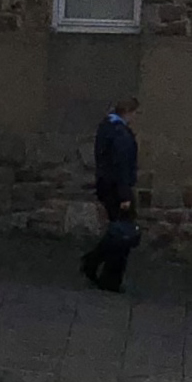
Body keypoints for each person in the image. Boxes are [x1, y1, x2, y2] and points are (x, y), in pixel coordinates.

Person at [81, 97, 139, 290]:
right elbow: (121, 167)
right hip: (117, 189)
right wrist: (125, 196)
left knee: (118, 230)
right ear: (129, 112)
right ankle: (107, 275)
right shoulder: (120, 134)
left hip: (106, 186)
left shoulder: (107, 126)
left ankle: (94, 263)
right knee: (123, 233)